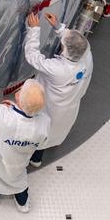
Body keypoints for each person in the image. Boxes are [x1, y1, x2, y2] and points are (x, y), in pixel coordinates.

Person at [0, 35, 49, 212]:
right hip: (18, 166)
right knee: (18, 182)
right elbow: (37, 136)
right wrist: (12, 108)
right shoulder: (44, 123)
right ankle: (23, 204)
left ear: (18, 97)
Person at [22, 10, 93, 168]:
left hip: (50, 109)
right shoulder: (86, 58)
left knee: (40, 134)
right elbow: (75, 43)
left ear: (65, 50)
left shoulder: (58, 69)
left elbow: (32, 56)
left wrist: (34, 30)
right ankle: (37, 158)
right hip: (67, 109)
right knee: (51, 134)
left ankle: (30, 159)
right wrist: (58, 27)